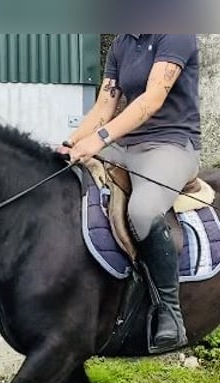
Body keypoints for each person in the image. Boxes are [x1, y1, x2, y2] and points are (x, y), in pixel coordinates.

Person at [58, 34, 201, 353]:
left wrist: (98, 140)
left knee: (142, 212)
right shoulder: (122, 44)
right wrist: (70, 144)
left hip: (171, 145)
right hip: (126, 147)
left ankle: (170, 314)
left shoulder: (175, 34)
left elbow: (152, 99)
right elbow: (103, 106)